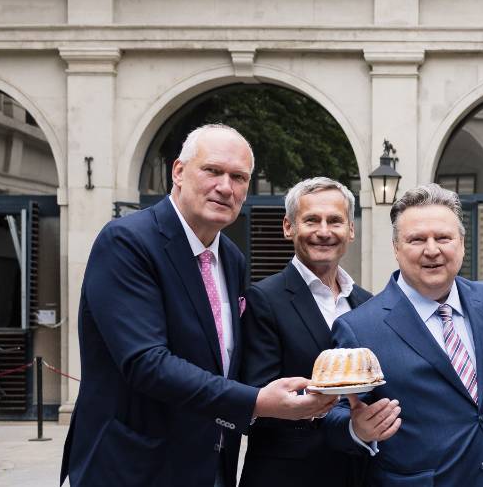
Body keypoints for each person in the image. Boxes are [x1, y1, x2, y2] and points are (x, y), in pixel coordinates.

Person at [60, 125, 337, 487]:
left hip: (211, 465)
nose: (226, 187)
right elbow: (146, 362)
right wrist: (256, 401)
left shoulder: (231, 258)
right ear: (178, 172)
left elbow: (221, 359)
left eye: (239, 177)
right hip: (133, 466)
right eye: (213, 171)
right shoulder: (127, 242)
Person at [324, 183, 483, 486]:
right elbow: (333, 417)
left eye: (443, 238)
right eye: (417, 239)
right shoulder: (360, 328)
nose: (432, 250)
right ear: (396, 248)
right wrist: (356, 429)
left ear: (461, 243)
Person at [238, 177, 399, 487]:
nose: (324, 231)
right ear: (289, 227)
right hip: (288, 477)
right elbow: (258, 399)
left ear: (350, 230)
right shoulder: (263, 299)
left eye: (335, 221)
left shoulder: (367, 302)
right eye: (311, 220)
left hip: (357, 473)